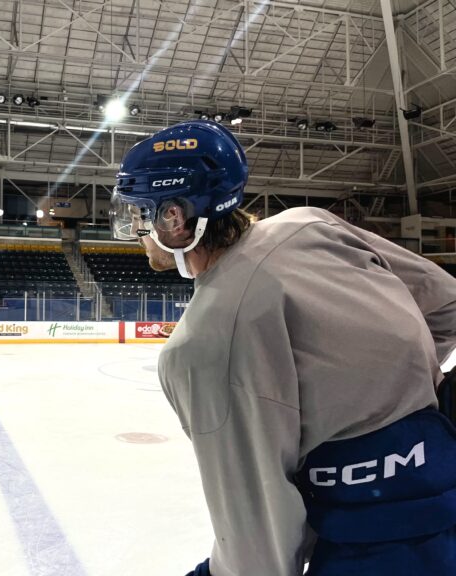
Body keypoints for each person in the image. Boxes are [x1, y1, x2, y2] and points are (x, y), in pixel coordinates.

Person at [109, 119, 456, 575]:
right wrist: (396, 397)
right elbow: (444, 303)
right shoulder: (311, 223)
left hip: (378, 550)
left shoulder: (201, 345)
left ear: (174, 219)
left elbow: (258, 538)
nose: (134, 229)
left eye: (139, 214)